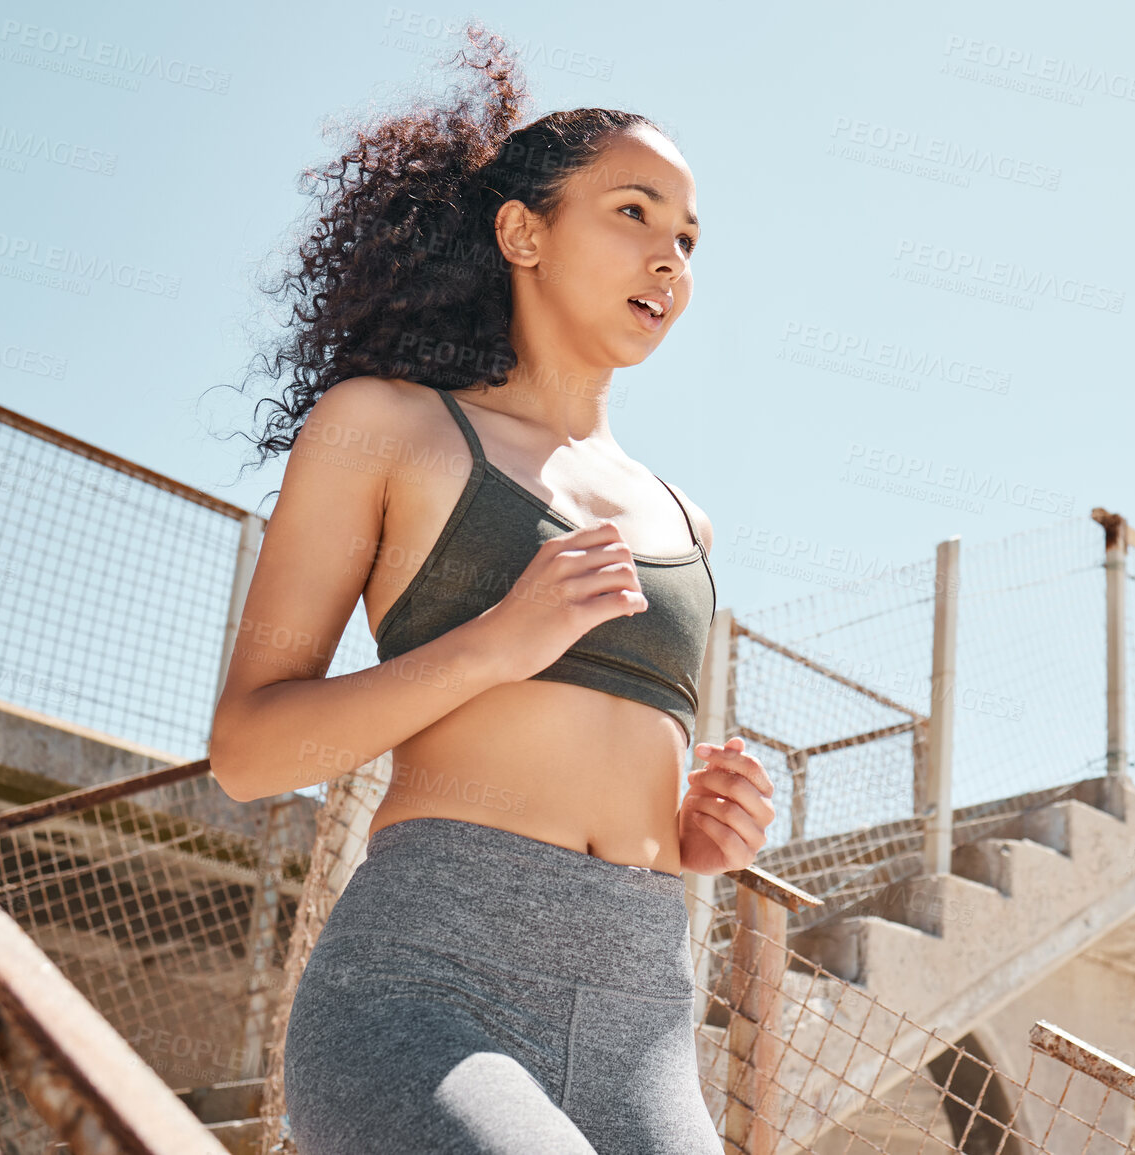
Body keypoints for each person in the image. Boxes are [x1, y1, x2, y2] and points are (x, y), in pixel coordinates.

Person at [208, 24, 772, 1155]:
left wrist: (693, 836)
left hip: (642, 1011)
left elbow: (596, 763)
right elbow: (249, 754)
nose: (670, 258)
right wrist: (490, 645)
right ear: (522, 231)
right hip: (428, 987)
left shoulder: (687, 522)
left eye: (689, 237)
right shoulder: (386, 429)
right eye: (632, 213)